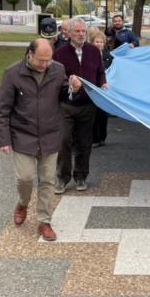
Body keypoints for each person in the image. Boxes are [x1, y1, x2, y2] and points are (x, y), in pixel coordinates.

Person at [0, 39, 79, 242]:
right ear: (29, 54)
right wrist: (3, 139)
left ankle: (44, 221)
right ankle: (23, 203)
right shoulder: (13, 73)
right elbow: (2, 110)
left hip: (50, 135)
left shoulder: (58, 70)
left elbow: (65, 96)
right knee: (25, 177)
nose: (44, 65)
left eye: (48, 60)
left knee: (48, 180)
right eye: (40, 60)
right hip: (23, 135)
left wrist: (74, 88)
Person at [52, 20, 107, 193]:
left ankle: (81, 176)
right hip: (66, 105)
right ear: (68, 33)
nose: (81, 34)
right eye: (77, 31)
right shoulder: (60, 53)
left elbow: (100, 72)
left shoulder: (93, 51)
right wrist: (69, 86)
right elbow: (54, 79)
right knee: (64, 141)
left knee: (84, 143)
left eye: (83, 31)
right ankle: (62, 178)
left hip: (88, 104)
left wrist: (103, 83)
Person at [89, 27, 112, 148]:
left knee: (103, 114)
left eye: (101, 42)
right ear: (92, 43)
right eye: (97, 42)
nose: (99, 44)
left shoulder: (108, 55)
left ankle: (102, 137)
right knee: (94, 114)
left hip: (104, 89)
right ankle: (94, 138)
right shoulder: (88, 55)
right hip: (93, 88)